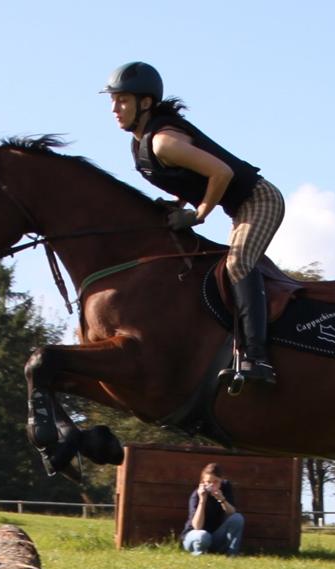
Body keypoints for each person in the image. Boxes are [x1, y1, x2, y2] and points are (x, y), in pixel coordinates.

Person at [101, 61, 283, 386]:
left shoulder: (161, 143)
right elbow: (188, 179)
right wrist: (178, 204)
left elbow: (221, 173)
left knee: (238, 264)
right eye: (113, 100)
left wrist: (198, 215)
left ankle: (257, 358)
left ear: (145, 103)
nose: (114, 108)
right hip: (239, 207)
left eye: (123, 100)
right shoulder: (141, 143)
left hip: (260, 201)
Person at [180, 462, 244, 556]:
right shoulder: (196, 495)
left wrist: (222, 499)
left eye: (216, 482)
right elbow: (197, 527)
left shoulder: (225, 488)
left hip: (214, 537)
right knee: (202, 535)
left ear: (221, 481)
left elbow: (232, 513)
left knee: (237, 518)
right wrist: (202, 500)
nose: (212, 485)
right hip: (194, 537)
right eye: (209, 482)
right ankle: (199, 555)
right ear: (203, 482)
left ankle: (232, 555)